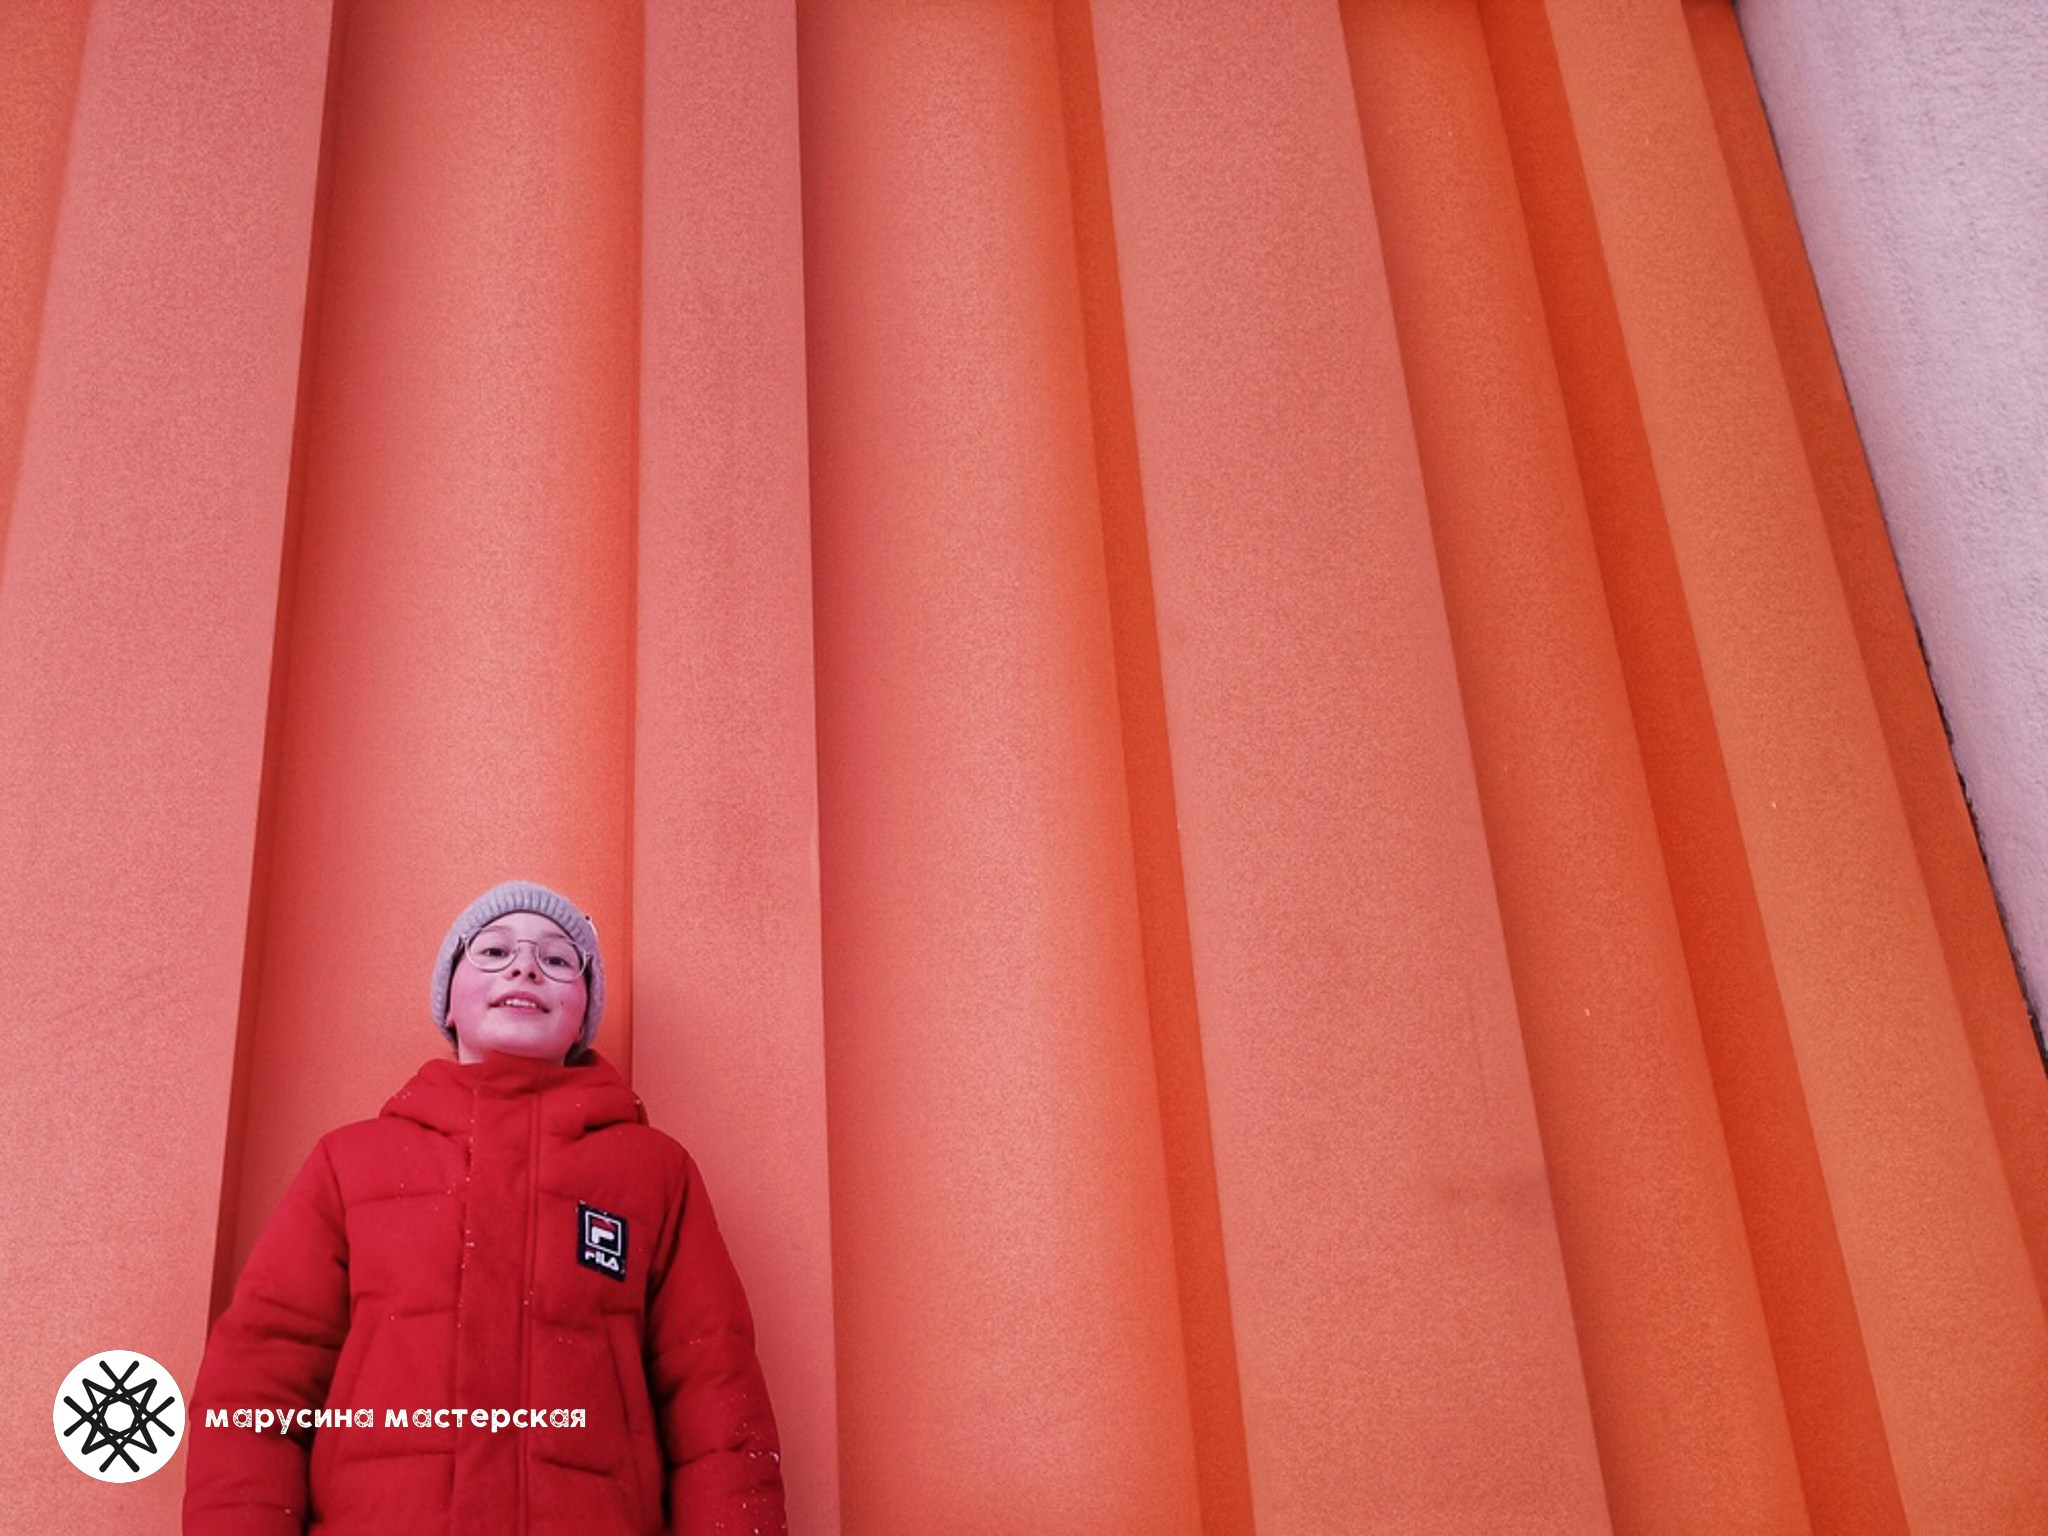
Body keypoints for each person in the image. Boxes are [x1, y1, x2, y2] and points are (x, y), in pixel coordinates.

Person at [183, 880, 787, 1535]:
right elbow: (260, 1383)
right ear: (449, 1001)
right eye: (494, 951)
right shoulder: (351, 1162)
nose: (526, 966)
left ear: (583, 1012)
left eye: (558, 959)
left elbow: (715, 1393)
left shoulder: (653, 1172)